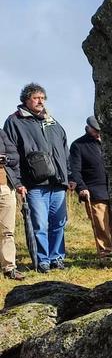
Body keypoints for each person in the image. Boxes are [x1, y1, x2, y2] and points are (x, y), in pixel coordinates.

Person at [4, 83, 69, 273]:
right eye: (36, 98)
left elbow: (64, 150)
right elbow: (12, 154)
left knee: (58, 223)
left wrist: (69, 176)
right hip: (34, 184)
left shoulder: (52, 122)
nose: (41, 101)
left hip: (58, 182)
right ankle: (43, 261)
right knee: (39, 224)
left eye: (42, 98)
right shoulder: (14, 121)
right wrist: (18, 182)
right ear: (26, 100)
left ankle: (57, 258)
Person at [69, 115, 112, 258]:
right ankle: (105, 253)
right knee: (100, 225)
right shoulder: (78, 145)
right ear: (88, 128)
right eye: (96, 130)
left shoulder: (110, 142)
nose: (98, 133)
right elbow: (75, 170)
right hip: (94, 191)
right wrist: (81, 188)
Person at [0, 128, 24, 280]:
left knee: (7, 231)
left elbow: (15, 157)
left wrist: (5, 159)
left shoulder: (1, 133)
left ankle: (9, 268)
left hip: (5, 188)